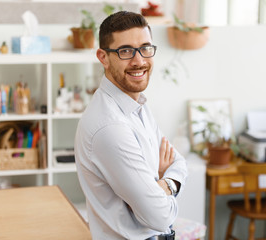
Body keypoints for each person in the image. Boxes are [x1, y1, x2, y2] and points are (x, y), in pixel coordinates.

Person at [74, 11, 188, 240]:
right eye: (125, 51)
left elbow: (179, 162)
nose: (139, 60)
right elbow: (160, 217)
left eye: (146, 48)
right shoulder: (110, 127)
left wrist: (160, 185)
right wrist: (166, 185)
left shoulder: (137, 105)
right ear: (103, 57)